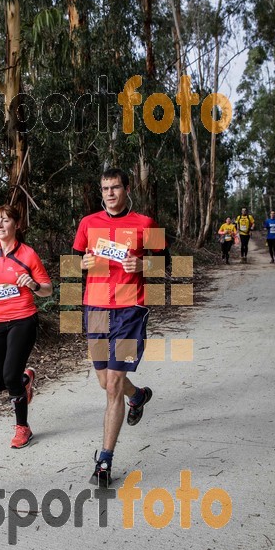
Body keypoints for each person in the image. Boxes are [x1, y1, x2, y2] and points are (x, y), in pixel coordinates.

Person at [72, 167, 170, 487]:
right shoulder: (88, 224)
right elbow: (74, 261)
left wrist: (144, 264)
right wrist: (81, 264)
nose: (110, 194)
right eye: (105, 189)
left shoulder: (144, 223)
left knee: (113, 384)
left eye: (115, 187)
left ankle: (105, 460)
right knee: (105, 382)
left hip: (131, 310)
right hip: (96, 309)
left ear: (127, 189)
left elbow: (167, 261)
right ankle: (138, 396)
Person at [0, 205, 52, 448]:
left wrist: (34, 286)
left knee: (9, 376)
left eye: (5, 220)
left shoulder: (28, 255)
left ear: (16, 225)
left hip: (23, 319)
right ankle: (25, 382)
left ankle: (22, 428)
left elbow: (48, 289)